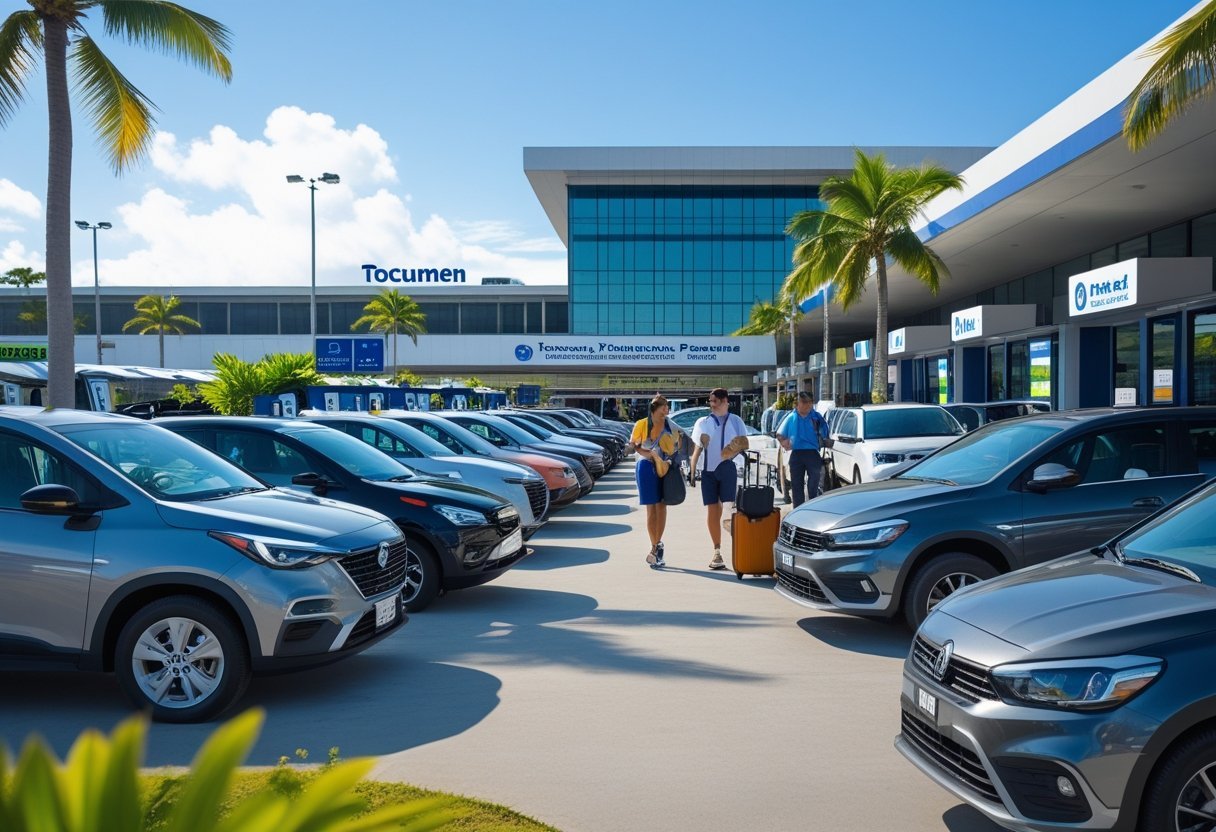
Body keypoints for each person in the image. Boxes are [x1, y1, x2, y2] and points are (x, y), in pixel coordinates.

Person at [688, 388, 749, 570]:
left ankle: (741, 552)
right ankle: (717, 551)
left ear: (725, 402)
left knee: (729, 510)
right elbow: (698, 446)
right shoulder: (703, 421)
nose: (711, 405)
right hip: (708, 471)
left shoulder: (736, 421)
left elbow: (744, 443)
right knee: (713, 511)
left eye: (715, 401)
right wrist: (692, 470)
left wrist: (733, 450)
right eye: (710, 401)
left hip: (728, 468)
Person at [630, 395, 681, 568]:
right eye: (664, 407)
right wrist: (650, 454)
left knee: (662, 506)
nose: (666, 411)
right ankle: (655, 547)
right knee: (651, 509)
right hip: (645, 467)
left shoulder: (670, 425)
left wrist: (671, 458)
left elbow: (677, 447)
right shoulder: (642, 424)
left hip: (665, 468)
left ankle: (658, 545)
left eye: (667, 407)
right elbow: (633, 445)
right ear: (655, 408)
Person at [777, 391, 832, 507]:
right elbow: (779, 433)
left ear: (812, 403)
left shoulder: (816, 417)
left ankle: (813, 507)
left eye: (809, 402)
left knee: (814, 484)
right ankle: (798, 511)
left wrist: (826, 441)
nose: (806, 405)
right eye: (803, 402)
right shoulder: (791, 417)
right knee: (797, 486)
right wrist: (783, 441)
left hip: (813, 454)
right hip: (796, 454)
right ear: (798, 403)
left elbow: (825, 433)